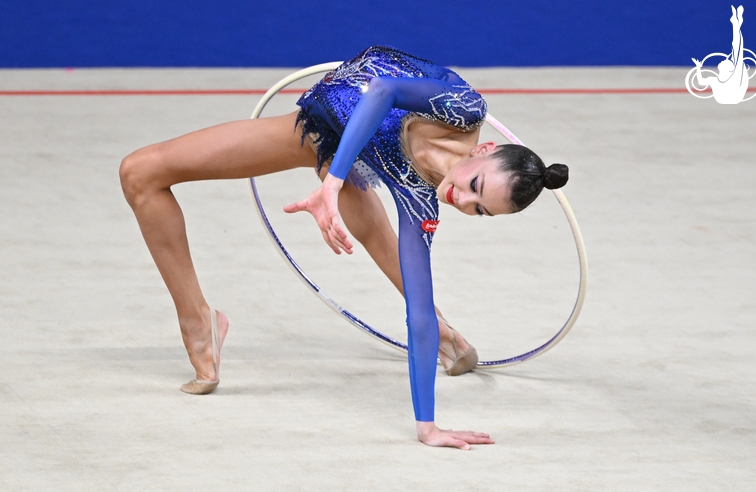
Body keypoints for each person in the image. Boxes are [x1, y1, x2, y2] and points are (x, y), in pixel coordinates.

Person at [119, 46, 568, 449]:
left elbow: (417, 311)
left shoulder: (421, 203)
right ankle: (199, 316)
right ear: (484, 148)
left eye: (480, 210)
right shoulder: (464, 109)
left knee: (414, 293)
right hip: (316, 134)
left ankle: (445, 337)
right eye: (475, 186)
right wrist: (332, 184)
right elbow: (384, 90)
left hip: (337, 157)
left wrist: (427, 427)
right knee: (139, 173)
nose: (462, 200)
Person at [692, 5, 748, 104]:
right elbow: (701, 82)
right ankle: (736, 24)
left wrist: (698, 68)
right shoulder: (719, 79)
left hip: (730, 98)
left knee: (737, 51)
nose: (724, 59)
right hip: (731, 98)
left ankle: (736, 24)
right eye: (727, 61)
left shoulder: (725, 78)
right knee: (737, 52)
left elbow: (737, 49)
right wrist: (698, 67)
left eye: (726, 61)